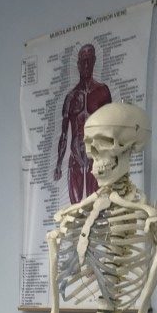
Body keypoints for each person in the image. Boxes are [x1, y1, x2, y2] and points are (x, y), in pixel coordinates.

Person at [52, 43, 112, 203]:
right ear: (78, 64)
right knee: (75, 209)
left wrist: (112, 161)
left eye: (89, 60)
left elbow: (111, 128)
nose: (86, 65)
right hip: (75, 157)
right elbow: (64, 135)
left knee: (97, 206)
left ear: (94, 61)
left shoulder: (103, 92)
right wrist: (58, 164)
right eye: (83, 61)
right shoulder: (70, 97)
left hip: (96, 156)